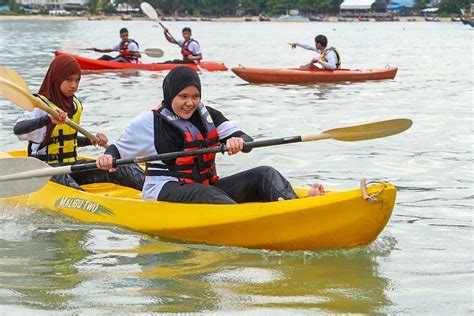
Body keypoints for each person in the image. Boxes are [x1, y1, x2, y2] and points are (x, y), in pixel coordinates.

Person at [96, 66, 324, 204]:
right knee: (211, 196)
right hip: (164, 189)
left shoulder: (208, 114)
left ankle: (295, 206)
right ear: (170, 95)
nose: (190, 103)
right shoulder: (148, 122)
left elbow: (246, 139)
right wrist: (107, 157)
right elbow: (117, 149)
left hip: (206, 185)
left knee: (265, 174)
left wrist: (239, 141)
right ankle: (260, 220)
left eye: (195, 96)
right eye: (183, 96)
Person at [13, 54, 144, 191]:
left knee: (121, 167)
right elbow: (18, 129)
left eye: (77, 80)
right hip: (46, 170)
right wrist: (48, 119)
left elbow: (68, 140)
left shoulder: (74, 104)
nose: (74, 85)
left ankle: (153, 191)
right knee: (65, 180)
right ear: (57, 79)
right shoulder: (40, 106)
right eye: (69, 80)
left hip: (72, 166)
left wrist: (91, 140)